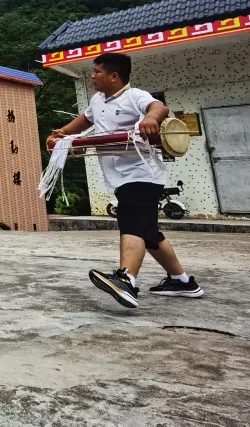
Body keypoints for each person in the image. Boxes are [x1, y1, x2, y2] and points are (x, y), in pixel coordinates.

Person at [50, 53, 203, 308]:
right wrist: (63, 133)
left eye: (97, 71)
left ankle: (126, 280)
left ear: (114, 76)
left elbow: (158, 107)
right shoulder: (98, 100)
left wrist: (151, 119)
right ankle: (182, 281)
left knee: (131, 220)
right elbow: (86, 119)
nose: (92, 76)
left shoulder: (134, 96)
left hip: (143, 173)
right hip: (120, 176)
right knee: (148, 232)